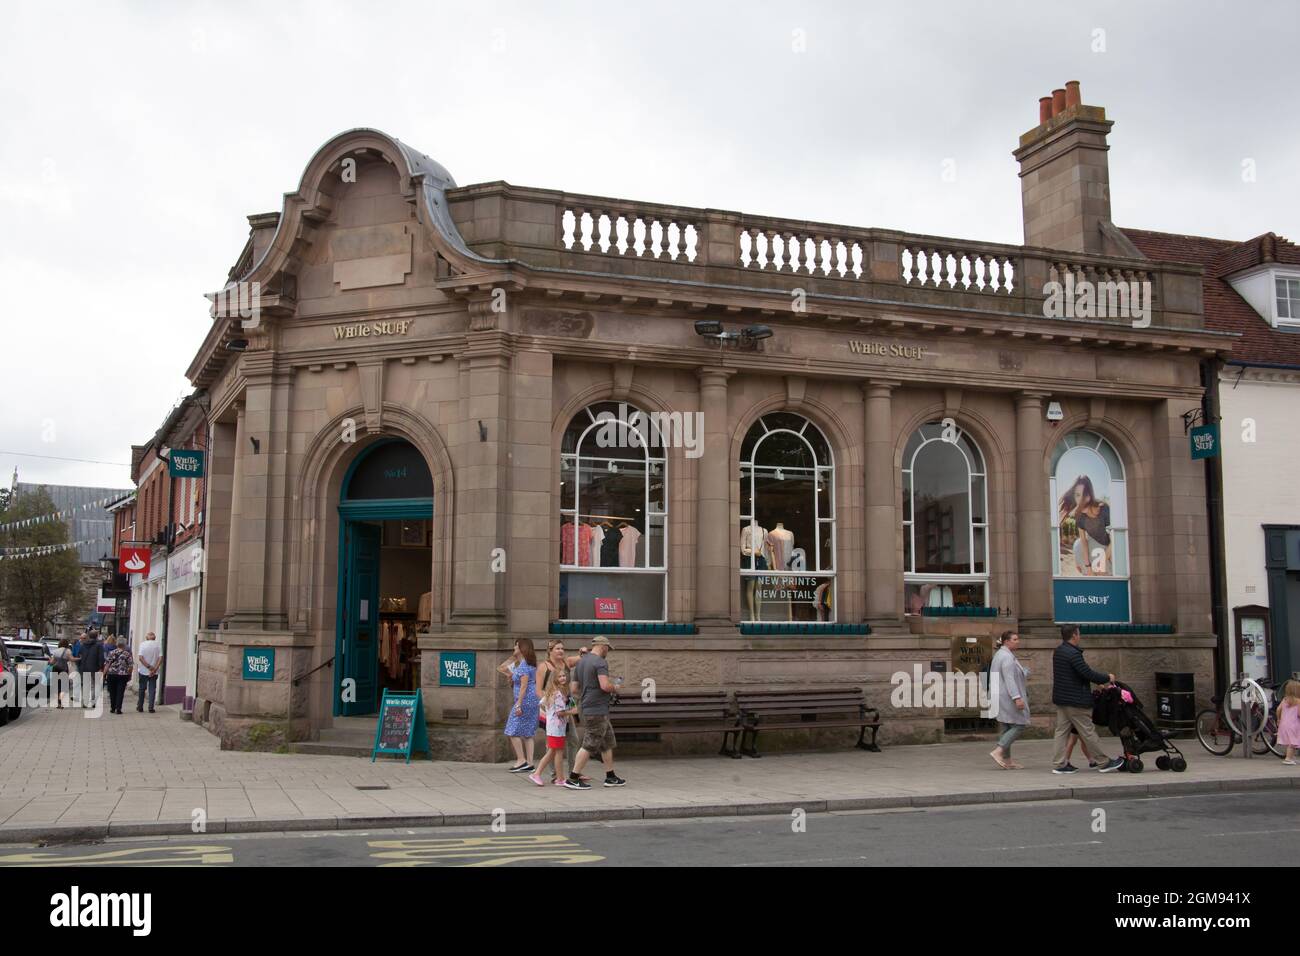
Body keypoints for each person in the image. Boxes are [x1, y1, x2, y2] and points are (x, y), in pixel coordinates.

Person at [1050, 624, 1124, 774]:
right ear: (1074, 636)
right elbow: (1086, 673)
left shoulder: (1059, 651)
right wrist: (1106, 678)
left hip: (1062, 699)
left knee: (1061, 732)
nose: (1080, 636)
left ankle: (1059, 764)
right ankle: (1103, 762)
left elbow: (1076, 674)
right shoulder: (1073, 653)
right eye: (1079, 634)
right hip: (1076, 700)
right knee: (1088, 731)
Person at [565, 636, 625, 790]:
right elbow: (605, 686)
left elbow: (574, 689)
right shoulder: (600, 662)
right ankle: (573, 778)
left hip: (587, 706)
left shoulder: (582, 662)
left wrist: (589, 691)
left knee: (606, 742)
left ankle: (610, 776)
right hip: (597, 708)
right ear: (602, 646)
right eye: (608, 649)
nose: (608, 652)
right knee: (590, 744)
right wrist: (615, 687)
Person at [529, 665, 577, 787]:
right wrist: (571, 712)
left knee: (558, 752)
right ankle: (537, 773)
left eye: (564, 675)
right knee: (552, 752)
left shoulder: (556, 692)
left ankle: (560, 778)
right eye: (559, 676)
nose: (563, 678)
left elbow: (542, 703)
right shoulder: (558, 694)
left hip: (556, 728)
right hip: (556, 728)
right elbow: (560, 712)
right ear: (554, 679)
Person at [989, 630, 1029, 769]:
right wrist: (1017, 698)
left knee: (1007, 726)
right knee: (1019, 724)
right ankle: (998, 751)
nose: (1018, 641)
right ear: (1006, 641)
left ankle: (1007, 761)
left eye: (1018, 639)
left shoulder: (1001, 654)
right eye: (1015, 639)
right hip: (1007, 696)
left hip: (999, 695)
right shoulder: (1006, 657)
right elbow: (1009, 679)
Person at [499, 638, 539, 773]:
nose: (514, 648)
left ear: (522, 648)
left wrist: (519, 704)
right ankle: (530, 762)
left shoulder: (523, 665)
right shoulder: (528, 664)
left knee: (511, 729)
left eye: (516, 646)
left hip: (525, 700)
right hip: (532, 700)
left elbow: (524, 686)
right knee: (528, 732)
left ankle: (521, 760)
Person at [104, 636, 133, 715]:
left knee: (112, 692)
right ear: (124, 645)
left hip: (111, 674)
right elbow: (130, 665)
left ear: (116, 644)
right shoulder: (127, 654)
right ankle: (118, 708)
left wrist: (104, 674)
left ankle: (112, 708)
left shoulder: (111, 653)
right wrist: (130, 674)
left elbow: (107, 664)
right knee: (120, 692)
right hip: (122, 675)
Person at [76, 632, 106, 710]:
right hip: (95, 668)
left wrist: (80, 666)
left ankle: (85, 702)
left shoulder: (83, 645)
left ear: (89, 636)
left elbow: (79, 656)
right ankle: (93, 702)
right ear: (97, 637)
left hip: (84, 668)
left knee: (86, 685)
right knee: (95, 685)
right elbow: (101, 657)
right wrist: (101, 667)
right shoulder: (99, 645)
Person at [1275, 679, 1300, 766]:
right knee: (1292, 743)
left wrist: (1278, 719)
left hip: (1283, 724)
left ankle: (1291, 757)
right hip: (1293, 725)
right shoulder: (1298, 701)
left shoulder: (1285, 700)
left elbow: (1278, 709)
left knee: (1289, 741)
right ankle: (1288, 759)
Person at [136, 632, 162, 712]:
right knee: (152, 689)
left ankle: (140, 706)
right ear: (154, 638)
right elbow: (160, 658)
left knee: (142, 689)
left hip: (143, 670)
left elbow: (140, 658)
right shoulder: (158, 645)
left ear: (147, 638)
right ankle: (151, 707)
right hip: (154, 672)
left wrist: (148, 667)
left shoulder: (142, 644)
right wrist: (154, 669)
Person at [47, 638, 73, 709]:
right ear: (67, 644)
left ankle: (58, 703)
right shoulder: (68, 651)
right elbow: (71, 660)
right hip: (64, 669)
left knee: (56, 686)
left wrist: (49, 661)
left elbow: (52, 662)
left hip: (55, 669)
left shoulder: (56, 651)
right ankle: (61, 701)